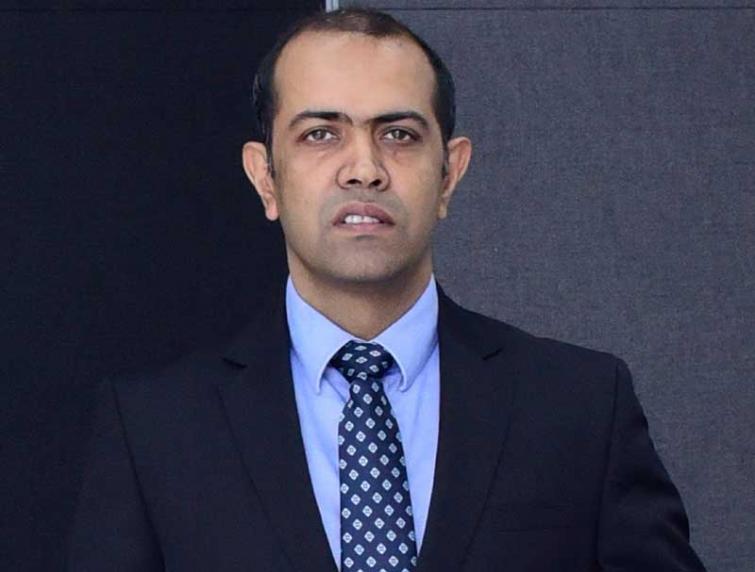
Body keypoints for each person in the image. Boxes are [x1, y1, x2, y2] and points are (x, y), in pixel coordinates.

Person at [67, 8, 706, 572]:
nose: (365, 169)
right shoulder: (156, 430)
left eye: (398, 134)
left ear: (449, 173)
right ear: (265, 177)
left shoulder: (579, 408)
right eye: (321, 134)